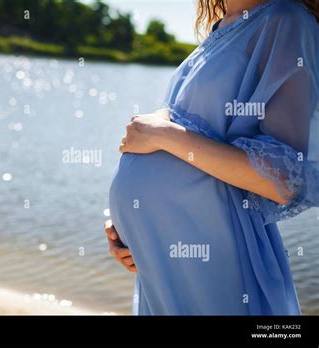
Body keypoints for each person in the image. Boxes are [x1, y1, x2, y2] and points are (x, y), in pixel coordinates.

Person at [106, 0, 319, 315]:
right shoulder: (222, 26)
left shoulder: (285, 20)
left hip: (214, 253)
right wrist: (128, 229)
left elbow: (286, 179)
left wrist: (162, 134)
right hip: (162, 255)